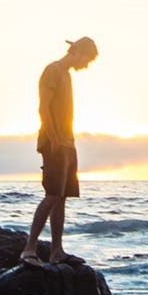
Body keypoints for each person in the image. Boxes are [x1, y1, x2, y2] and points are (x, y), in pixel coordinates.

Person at [19, 37, 98, 268]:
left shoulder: (67, 75)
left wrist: (67, 143)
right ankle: (29, 249)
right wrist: (53, 140)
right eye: (88, 59)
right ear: (79, 52)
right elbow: (43, 107)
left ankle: (57, 252)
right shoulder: (52, 70)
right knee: (52, 194)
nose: (87, 65)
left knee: (62, 197)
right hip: (54, 143)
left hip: (67, 143)